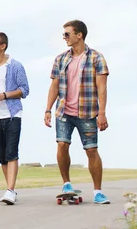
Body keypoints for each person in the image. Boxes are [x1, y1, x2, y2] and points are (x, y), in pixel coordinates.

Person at [44, 20, 110, 204]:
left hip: (87, 112)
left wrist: (102, 113)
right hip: (64, 111)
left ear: (79, 35)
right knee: (62, 145)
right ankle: (66, 184)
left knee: (91, 150)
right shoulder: (61, 59)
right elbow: (54, 85)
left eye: (67, 34)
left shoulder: (96, 58)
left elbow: (102, 88)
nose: (64, 37)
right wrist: (48, 109)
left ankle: (98, 191)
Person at [0, 32, 30, 205]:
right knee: (2, 155)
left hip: (12, 114)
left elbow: (25, 89)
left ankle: (9, 190)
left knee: (11, 152)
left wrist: (5, 95)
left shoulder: (15, 66)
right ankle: (11, 190)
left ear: (3, 46)